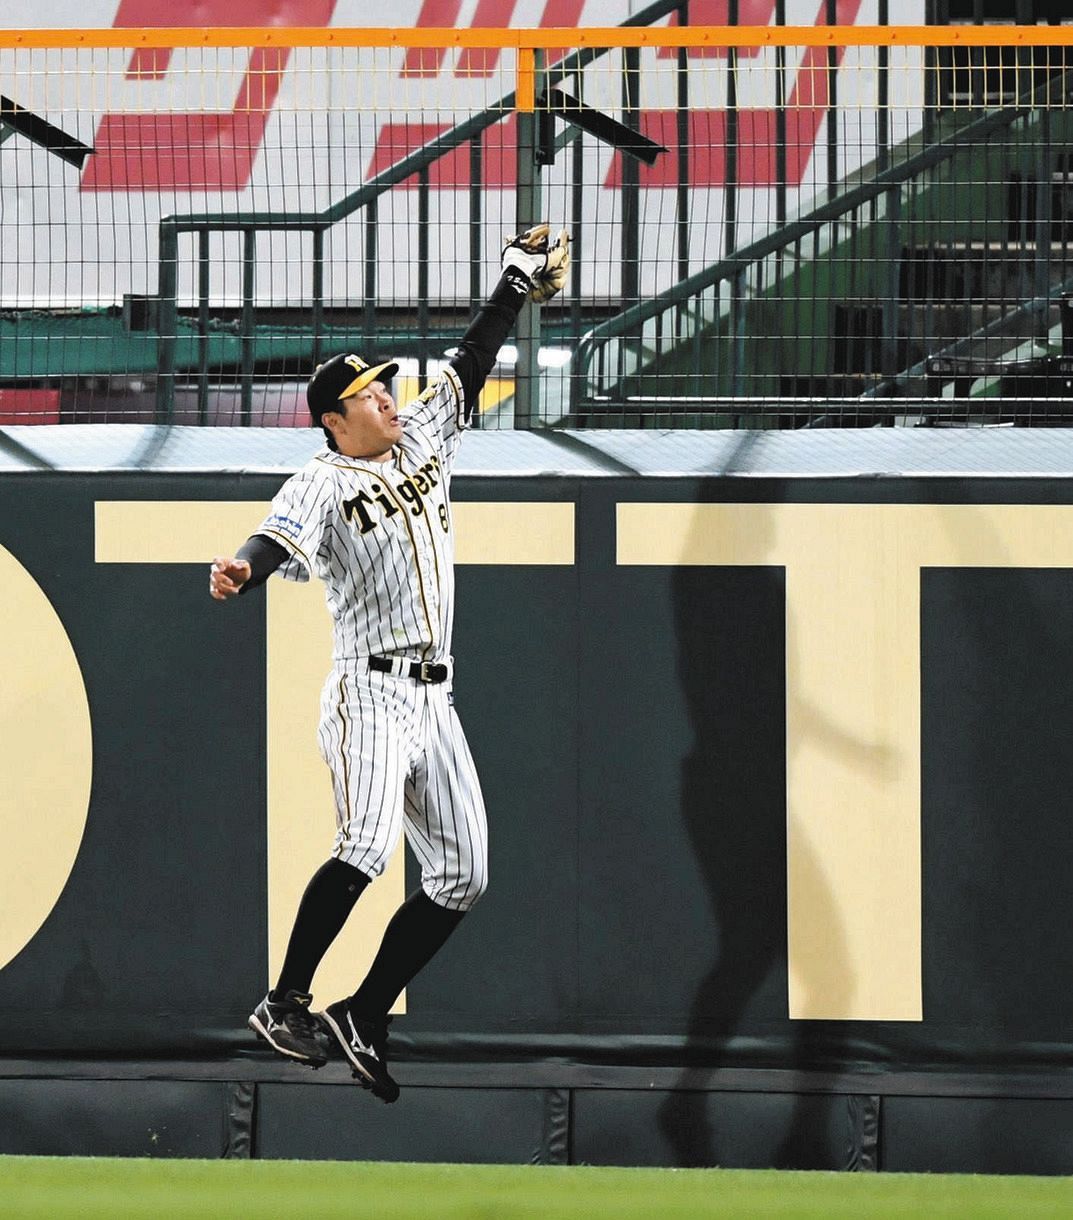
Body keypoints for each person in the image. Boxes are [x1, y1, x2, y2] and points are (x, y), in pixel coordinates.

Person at [208, 224, 570, 1103]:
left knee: (464, 874)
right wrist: (244, 568)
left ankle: (363, 1011)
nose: (386, 400)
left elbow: (469, 363)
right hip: (368, 689)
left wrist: (514, 284)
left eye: (382, 388)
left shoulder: (420, 440)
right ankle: (283, 999)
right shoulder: (322, 481)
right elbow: (275, 535)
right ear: (334, 420)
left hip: (435, 696)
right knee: (366, 847)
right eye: (368, 396)